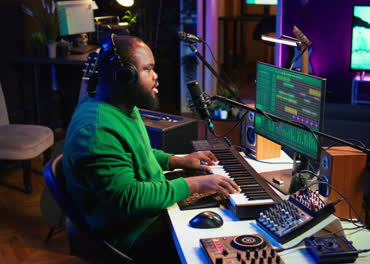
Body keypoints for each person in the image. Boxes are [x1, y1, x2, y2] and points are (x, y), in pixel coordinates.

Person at [62, 34, 240, 263]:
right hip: (131, 232)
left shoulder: (120, 105)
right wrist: (194, 184)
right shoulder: (97, 130)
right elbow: (129, 198)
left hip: (143, 216)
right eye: (148, 69)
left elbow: (137, 154)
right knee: (216, 243)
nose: (156, 76)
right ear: (124, 76)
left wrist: (178, 160)